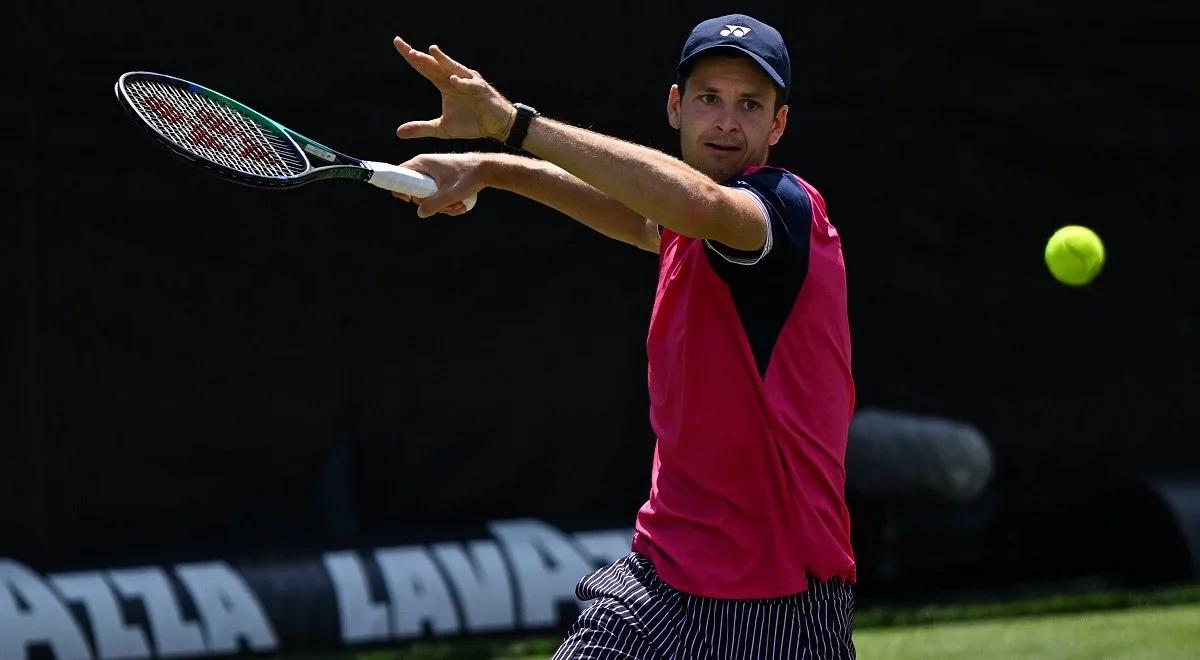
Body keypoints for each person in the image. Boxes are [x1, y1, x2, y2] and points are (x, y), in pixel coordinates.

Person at [391, 12, 856, 659]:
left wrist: (514, 126)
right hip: (657, 586)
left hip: (779, 608)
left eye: (750, 104)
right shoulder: (681, 228)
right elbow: (641, 216)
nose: (726, 121)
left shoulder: (781, 209)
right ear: (676, 107)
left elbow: (696, 206)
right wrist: (493, 168)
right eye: (708, 99)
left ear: (777, 125)